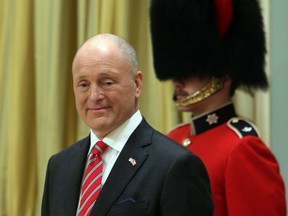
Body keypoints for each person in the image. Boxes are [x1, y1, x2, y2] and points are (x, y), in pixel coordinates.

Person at [41, 33, 214, 216]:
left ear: (137, 84)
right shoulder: (59, 166)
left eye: (107, 83)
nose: (94, 96)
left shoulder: (175, 166)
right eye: (83, 85)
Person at [150, 0, 286, 216]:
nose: (177, 81)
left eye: (189, 70)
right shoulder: (173, 138)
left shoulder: (242, 149)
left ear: (223, 76)